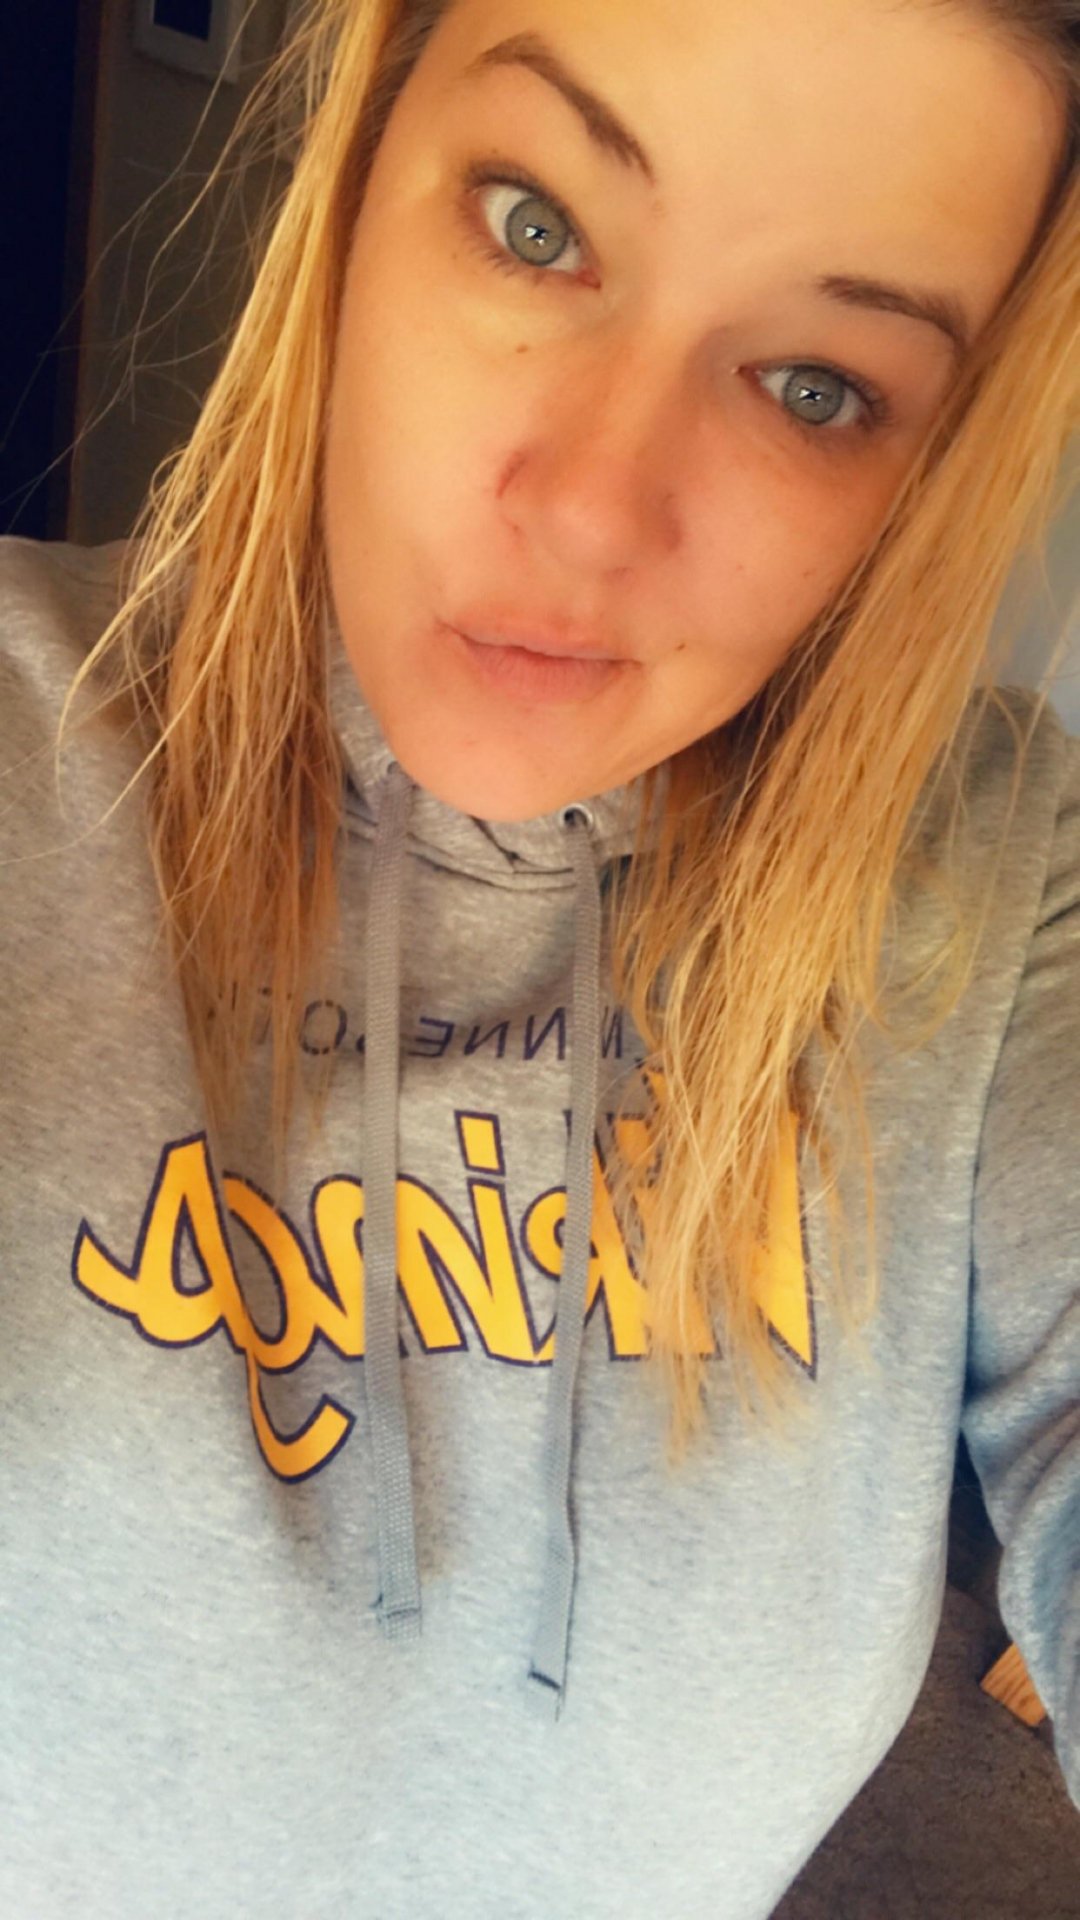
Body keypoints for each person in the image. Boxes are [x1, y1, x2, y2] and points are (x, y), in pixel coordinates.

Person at [1, 0, 1078, 1913]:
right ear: (357, 173)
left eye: (816, 384)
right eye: (536, 225)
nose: (589, 511)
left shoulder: (994, 889)